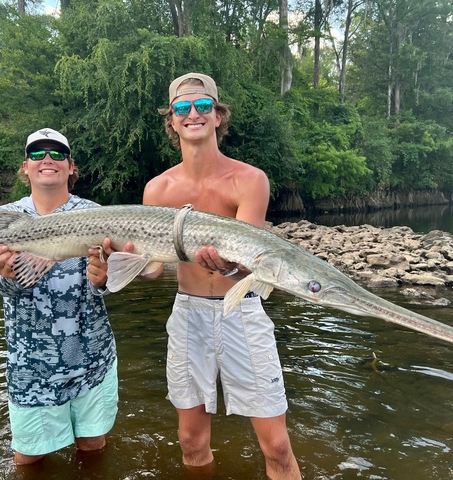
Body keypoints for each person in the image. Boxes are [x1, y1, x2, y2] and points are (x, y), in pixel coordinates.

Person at [141, 73, 301, 478]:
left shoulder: (250, 180)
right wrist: (117, 262)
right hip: (188, 313)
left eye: (202, 106)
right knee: (191, 442)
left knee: (278, 446)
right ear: (172, 122)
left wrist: (228, 266)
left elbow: (248, 262)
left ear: (218, 116)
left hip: (242, 312)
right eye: (182, 108)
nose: (192, 114)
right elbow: (154, 269)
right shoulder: (157, 190)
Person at [0, 128, 128, 465]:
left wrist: (104, 277)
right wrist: (7, 275)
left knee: (93, 447)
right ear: (26, 167)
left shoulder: (96, 213)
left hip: (92, 358)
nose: (47, 159)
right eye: (37, 154)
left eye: (57, 154)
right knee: (28, 460)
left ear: (70, 166)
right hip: (31, 366)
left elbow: (110, 279)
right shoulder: (6, 216)